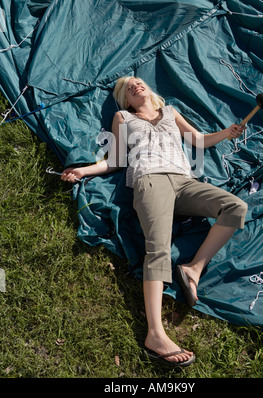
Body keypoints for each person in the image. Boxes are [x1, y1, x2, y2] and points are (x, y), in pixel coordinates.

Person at [61, 76, 247, 367]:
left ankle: (192, 269)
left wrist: (228, 132)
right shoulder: (122, 117)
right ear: (125, 100)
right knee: (157, 248)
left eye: (138, 81)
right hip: (150, 180)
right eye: (127, 88)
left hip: (184, 182)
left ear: (149, 89)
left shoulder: (171, 112)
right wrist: (83, 171)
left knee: (235, 206)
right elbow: (115, 161)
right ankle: (155, 334)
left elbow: (197, 140)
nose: (135, 85)